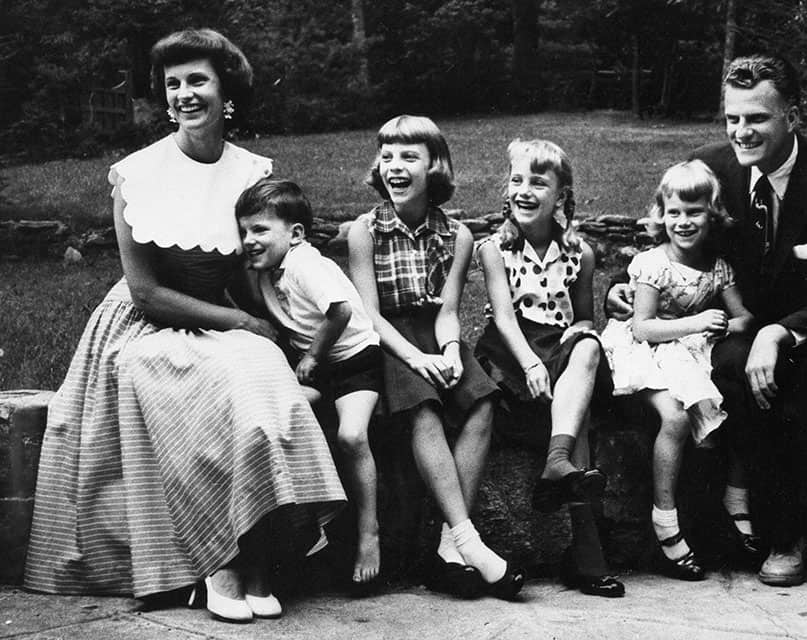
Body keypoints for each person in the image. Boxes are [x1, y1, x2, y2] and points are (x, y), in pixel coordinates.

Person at [23, 29, 347, 623]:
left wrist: (279, 331)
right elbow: (147, 293)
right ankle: (215, 561)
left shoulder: (253, 170)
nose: (183, 94)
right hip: (145, 327)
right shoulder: (137, 174)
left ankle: (253, 552)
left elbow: (253, 271)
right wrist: (243, 322)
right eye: (173, 84)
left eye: (197, 80)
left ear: (227, 91)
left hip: (222, 319)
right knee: (206, 385)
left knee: (257, 378)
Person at [606, 54, 807, 604]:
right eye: (732, 119)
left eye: (756, 119)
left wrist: (782, 331)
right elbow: (671, 247)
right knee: (726, 363)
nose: (741, 132)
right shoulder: (711, 170)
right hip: (743, 330)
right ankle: (785, 532)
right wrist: (620, 292)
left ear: (793, 115)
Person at [347, 115, 525, 600]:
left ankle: (449, 547)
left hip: (433, 334)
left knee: (482, 400)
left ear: (435, 167)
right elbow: (370, 315)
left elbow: (448, 313)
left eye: (409, 157)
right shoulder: (363, 232)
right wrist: (416, 359)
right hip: (387, 340)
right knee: (424, 407)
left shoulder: (457, 235)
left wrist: (448, 351)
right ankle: (471, 540)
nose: (395, 167)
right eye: (387, 157)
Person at [474, 139, 624, 598]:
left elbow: (583, 317)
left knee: (588, 346)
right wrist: (531, 363)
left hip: (557, 346)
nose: (524, 190)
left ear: (560, 196)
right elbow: (501, 316)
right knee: (574, 418)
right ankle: (585, 554)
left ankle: (557, 464)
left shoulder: (581, 253)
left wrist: (572, 341)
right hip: (510, 350)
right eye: (517, 180)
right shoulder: (494, 249)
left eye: (538, 183)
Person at [600, 160, 759, 581]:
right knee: (674, 419)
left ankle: (722, 512)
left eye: (694, 212)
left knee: (718, 417)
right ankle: (665, 522)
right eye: (674, 212)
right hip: (644, 354)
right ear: (661, 214)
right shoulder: (653, 264)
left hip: (687, 353)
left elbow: (744, 317)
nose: (683, 222)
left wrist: (720, 321)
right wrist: (696, 323)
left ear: (713, 215)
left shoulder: (718, 268)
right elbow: (643, 326)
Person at [235, 177, 384, 591]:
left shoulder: (307, 264)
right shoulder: (267, 269)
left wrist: (314, 356)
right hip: (317, 371)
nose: (249, 240)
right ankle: (312, 527)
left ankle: (369, 532)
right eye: (244, 231)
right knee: (284, 411)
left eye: (260, 230)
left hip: (355, 361)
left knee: (352, 436)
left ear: (296, 234)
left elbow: (338, 312)